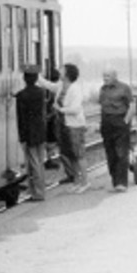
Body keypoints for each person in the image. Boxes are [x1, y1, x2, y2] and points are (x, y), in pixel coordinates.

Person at [14, 65, 51, 201]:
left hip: (29, 132)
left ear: (24, 78)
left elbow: (21, 118)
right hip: (40, 130)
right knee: (39, 162)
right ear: (36, 78)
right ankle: (38, 190)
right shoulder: (41, 92)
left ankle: (38, 193)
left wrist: (21, 136)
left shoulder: (21, 96)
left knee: (33, 162)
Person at [54, 63, 90, 192]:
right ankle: (76, 181)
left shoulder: (75, 89)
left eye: (62, 71)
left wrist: (61, 109)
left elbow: (75, 109)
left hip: (75, 125)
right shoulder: (62, 87)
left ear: (67, 75)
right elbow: (49, 85)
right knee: (71, 155)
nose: (59, 72)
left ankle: (85, 182)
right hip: (65, 125)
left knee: (79, 154)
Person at [97, 67, 134, 192]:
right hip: (106, 122)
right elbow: (101, 106)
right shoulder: (103, 89)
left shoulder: (124, 88)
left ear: (114, 76)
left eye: (107, 76)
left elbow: (132, 106)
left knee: (121, 152)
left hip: (120, 121)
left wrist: (125, 121)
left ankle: (122, 183)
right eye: (104, 76)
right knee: (110, 153)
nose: (105, 78)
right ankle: (115, 181)